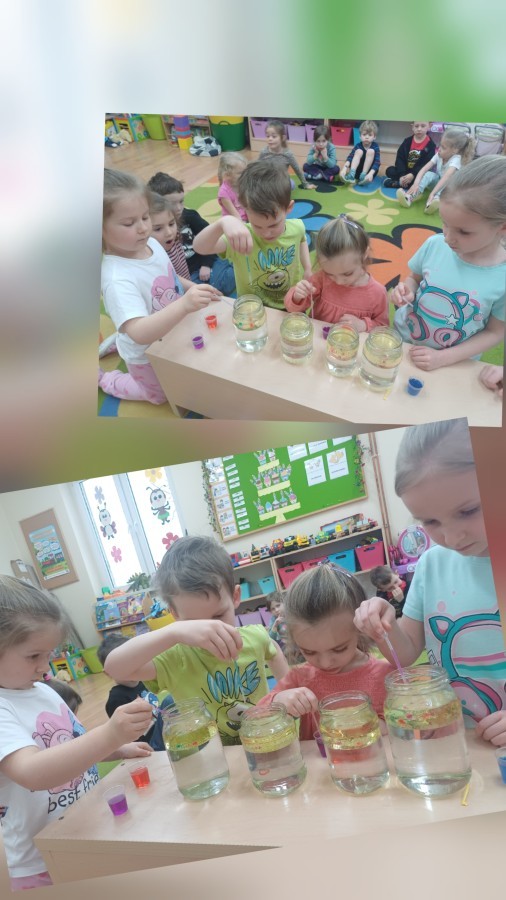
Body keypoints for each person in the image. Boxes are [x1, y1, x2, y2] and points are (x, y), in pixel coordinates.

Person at [354, 419, 506, 746]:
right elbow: (407, 652)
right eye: (431, 521)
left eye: (468, 511)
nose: (452, 537)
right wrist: (384, 623)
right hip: (460, 742)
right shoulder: (431, 565)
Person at [0, 576, 153, 891]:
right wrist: (110, 735)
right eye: (33, 656)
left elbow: (73, 743)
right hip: (43, 862)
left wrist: (117, 749)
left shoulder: (44, 690)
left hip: (88, 831)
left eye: (49, 654)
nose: (46, 667)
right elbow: (33, 773)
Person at [104, 536, 290, 745]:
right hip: (211, 759)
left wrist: (286, 693)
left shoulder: (254, 636)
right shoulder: (175, 658)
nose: (208, 630)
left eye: (218, 616)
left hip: (264, 746)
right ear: (175, 614)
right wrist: (173, 632)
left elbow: (273, 649)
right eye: (194, 623)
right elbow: (114, 667)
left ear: (235, 596)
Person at [100, 169, 220, 405]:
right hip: (145, 352)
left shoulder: (150, 244)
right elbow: (140, 333)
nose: (143, 228)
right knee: (161, 396)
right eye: (129, 223)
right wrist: (184, 305)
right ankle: (107, 380)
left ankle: (121, 330)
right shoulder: (117, 279)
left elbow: (170, 277)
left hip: (170, 330)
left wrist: (191, 287)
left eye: (145, 217)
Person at [392, 155, 506, 372]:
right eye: (444, 223)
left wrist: (442, 358)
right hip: (404, 338)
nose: (448, 238)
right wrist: (407, 290)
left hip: (451, 362)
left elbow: (495, 332)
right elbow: (414, 278)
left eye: (464, 231)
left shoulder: (502, 278)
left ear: (503, 226)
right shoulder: (435, 244)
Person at [256, 564, 395, 740]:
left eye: (339, 649)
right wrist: (278, 702)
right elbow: (256, 717)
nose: (325, 663)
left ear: (360, 628)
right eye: (309, 652)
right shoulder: (300, 678)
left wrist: (380, 726)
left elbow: (408, 729)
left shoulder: (385, 675)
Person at [192, 160, 312, 310]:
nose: (266, 233)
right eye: (257, 225)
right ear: (245, 210)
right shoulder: (241, 236)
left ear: (289, 208)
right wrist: (222, 223)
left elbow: (301, 240)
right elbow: (200, 247)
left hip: (290, 303)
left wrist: (308, 267)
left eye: (273, 225)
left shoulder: (297, 226)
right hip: (252, 309)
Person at [284, 215, 389, 331]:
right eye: (330, 274)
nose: (339, 281)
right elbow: (293, 309)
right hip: (318, 338)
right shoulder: (321, 278)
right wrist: (297, 296)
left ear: (364, 254)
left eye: (347, 274)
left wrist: (363, 325)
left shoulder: (378, 293)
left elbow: (383, 327)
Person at [147, 172, 236, 296]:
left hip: (205, 261)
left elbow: (210, 238)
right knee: (207, 290)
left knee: (229, 277)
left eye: (181, 201)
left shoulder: (190, 216)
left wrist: (206, 264)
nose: (179, 208)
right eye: (172, 204)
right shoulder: (151, 238)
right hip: (189, 276)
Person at [96, 633, 172, 748]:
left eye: (133, 665)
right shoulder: (117, 698)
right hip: (148, 744)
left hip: (161, 729)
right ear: (108, 673)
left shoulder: (143, 681)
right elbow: (124, 735)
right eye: (123, 669)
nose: (131, 671)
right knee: (170, 701)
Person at [396, 126, 475, 214]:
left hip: (451, 189)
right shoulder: (439, 154)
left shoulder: (457, 159)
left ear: (454, 151)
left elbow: (446, 178)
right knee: (429, 174)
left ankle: (433, 202)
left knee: (448, 182)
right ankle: (410, 196)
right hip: (439, 184)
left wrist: (432, 193)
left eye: (443, 147)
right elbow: (424, 169)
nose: (439, 149)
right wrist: (416, 184)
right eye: (440, 145)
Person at [259, 119, 316, 190]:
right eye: (268, 136)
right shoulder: (264, 152)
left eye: (274, 136)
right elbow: (257, 168)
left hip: (281, 181)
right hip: (268, 181)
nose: (270, 139)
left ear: (282, 138)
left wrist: (305, 184)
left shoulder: (287, 154)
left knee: (292, 184)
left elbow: (297, 169)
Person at [148, 190, 190, 279]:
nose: (169, 232)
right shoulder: (152, 256)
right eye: (158, 229)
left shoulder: (176, 236)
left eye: (171, 224)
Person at [383, 122, 436, 189]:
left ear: (429, 126)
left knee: (423, 180)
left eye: (423, 126)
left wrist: (412, 174)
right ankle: (403, 182)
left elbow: (426, 164)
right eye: (416, 126)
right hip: (405, 171)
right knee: (389, 170)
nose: (419, 129)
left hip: (418, 174)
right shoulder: (407, 141)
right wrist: (402, 175)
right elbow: (400, 158)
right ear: (412, 127)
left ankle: (398, 184)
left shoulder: (431, 145)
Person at [340, 121, 381, 185]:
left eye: (370, 135)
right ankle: (351, 175)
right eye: (364, 135)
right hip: (357, 172)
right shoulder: (358, 146)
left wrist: (370, 174)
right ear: (360, 136)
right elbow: (350, 158)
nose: (367, 137)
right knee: (359, 151)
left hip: (369, 173)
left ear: (374, 137)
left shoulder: (375, 146)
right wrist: (344, 169)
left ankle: (363, 176)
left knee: (371, 151)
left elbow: (377, 162)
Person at [217, 152, 248, 221]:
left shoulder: (244, 184)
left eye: (245, 171)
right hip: (233, 221)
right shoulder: (224, 192)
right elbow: (235, 215)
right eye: (240, 173)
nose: (245, 175)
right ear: (227, 175)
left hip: (247, 218)